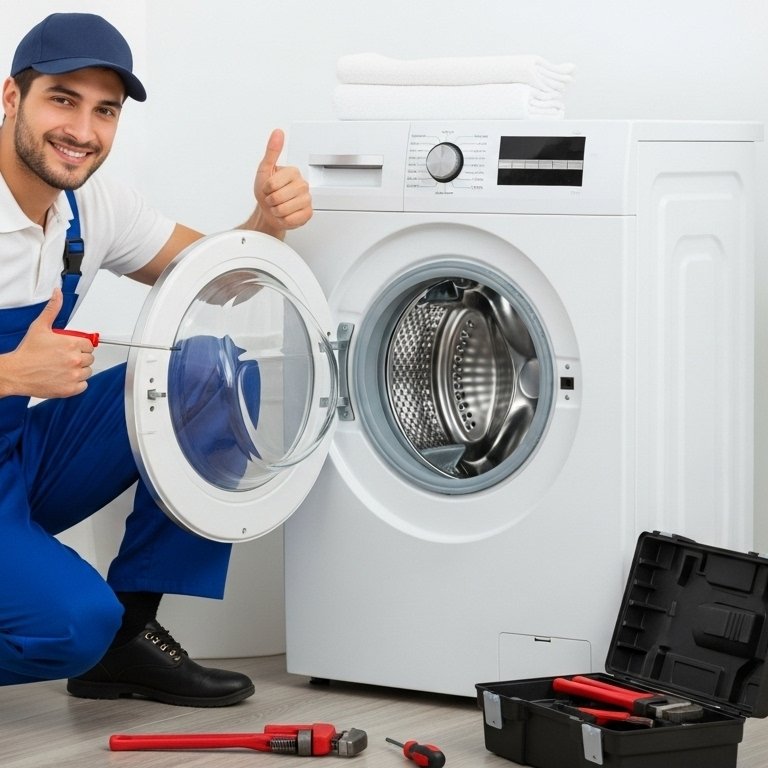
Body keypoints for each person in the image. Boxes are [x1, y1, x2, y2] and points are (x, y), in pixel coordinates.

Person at [0, 13, 312, 706]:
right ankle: (96, 636)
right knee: (73, 623)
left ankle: (129, 643)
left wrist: (266, 222)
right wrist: (11, 374)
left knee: (211, 374)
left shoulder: (89, 204)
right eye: (62, 98)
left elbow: (216, 279)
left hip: (14, 455)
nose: (82, 131)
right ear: (12, 98)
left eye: (103, 110)